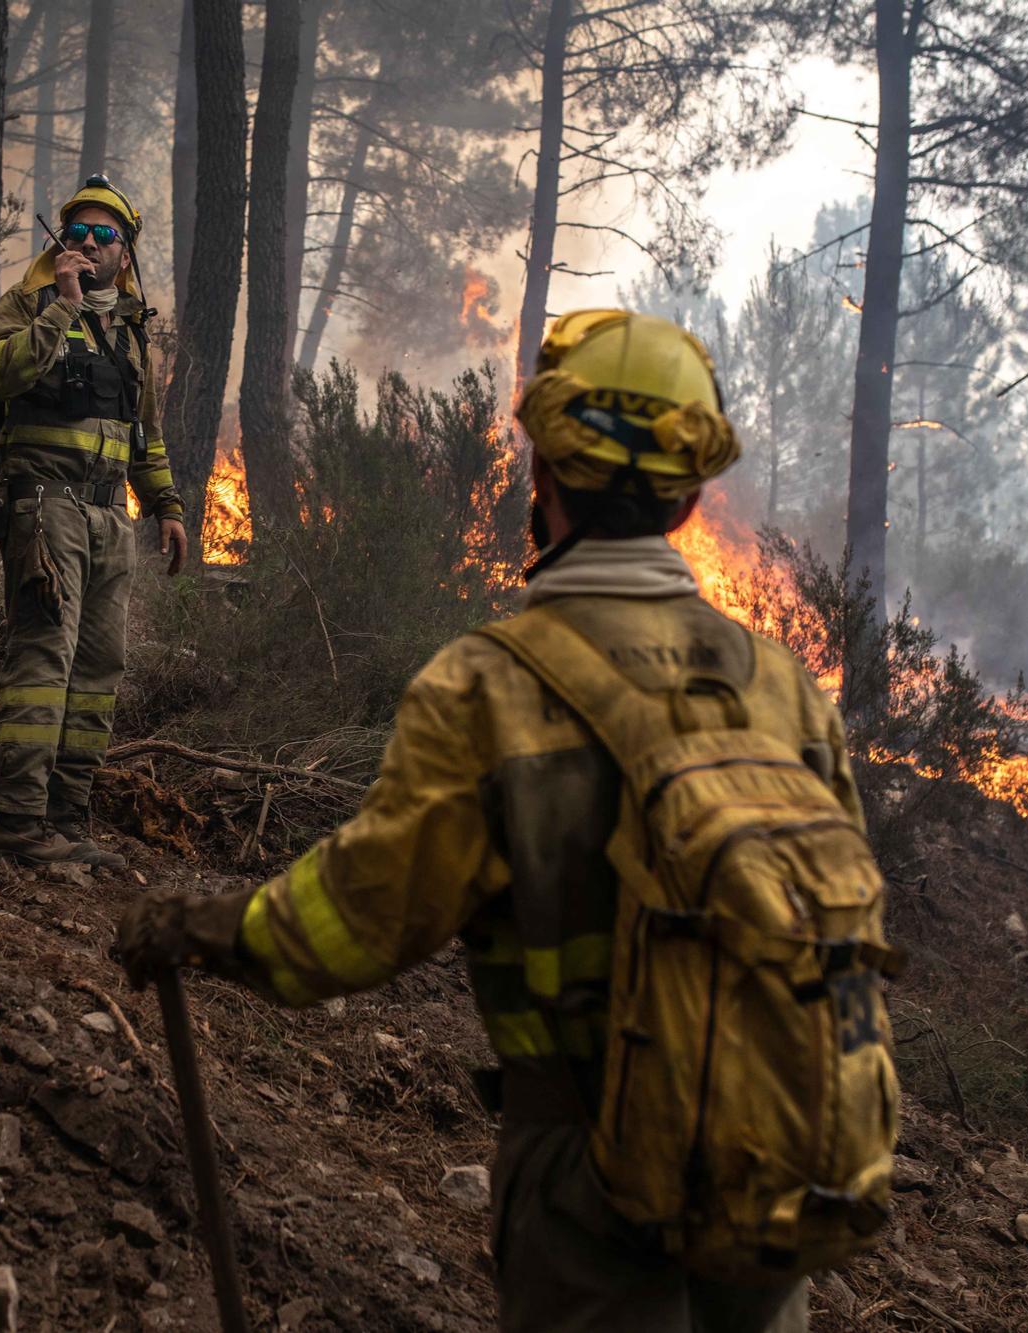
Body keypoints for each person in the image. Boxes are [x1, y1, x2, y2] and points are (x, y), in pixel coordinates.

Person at [118, 311, 893, 1332]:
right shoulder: (781, 686)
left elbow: (363, 916)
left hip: (590, 1174)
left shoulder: (489, 685)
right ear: (691, 495)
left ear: (544, 477)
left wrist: (214, 929)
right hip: (774, 1149)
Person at [0, 176, 188, 868]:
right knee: (44, 658)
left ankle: (68, 820)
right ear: (60, 242)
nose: (88, 244)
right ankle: (18, 820)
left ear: (123, 253)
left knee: (100, 665)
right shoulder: (27, 305)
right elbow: (4, 375)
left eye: (104, 236)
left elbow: (144, 435)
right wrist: (62, 309)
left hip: (111, 519)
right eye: (78, 233)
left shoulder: (133, 333)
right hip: (46, 509)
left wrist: (167, 506)